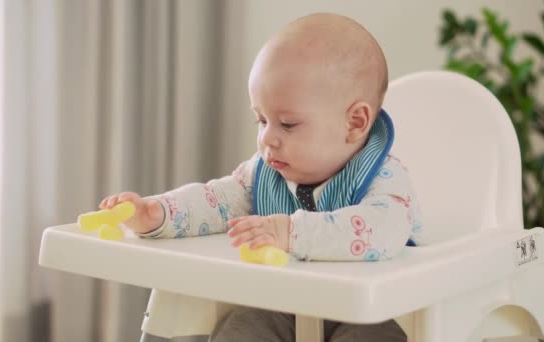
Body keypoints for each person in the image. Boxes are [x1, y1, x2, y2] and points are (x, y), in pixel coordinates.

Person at [100, 12, 422, 342]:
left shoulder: (381, 177)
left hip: (370, 310)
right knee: (242, 325)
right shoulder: (264, 174)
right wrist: (159, 213)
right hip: (284, 304)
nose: (267, 138)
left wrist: (290, 233)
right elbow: (216, 200)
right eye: (261, 119)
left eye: (288, 124)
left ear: (354, 123)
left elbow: (385, 229)